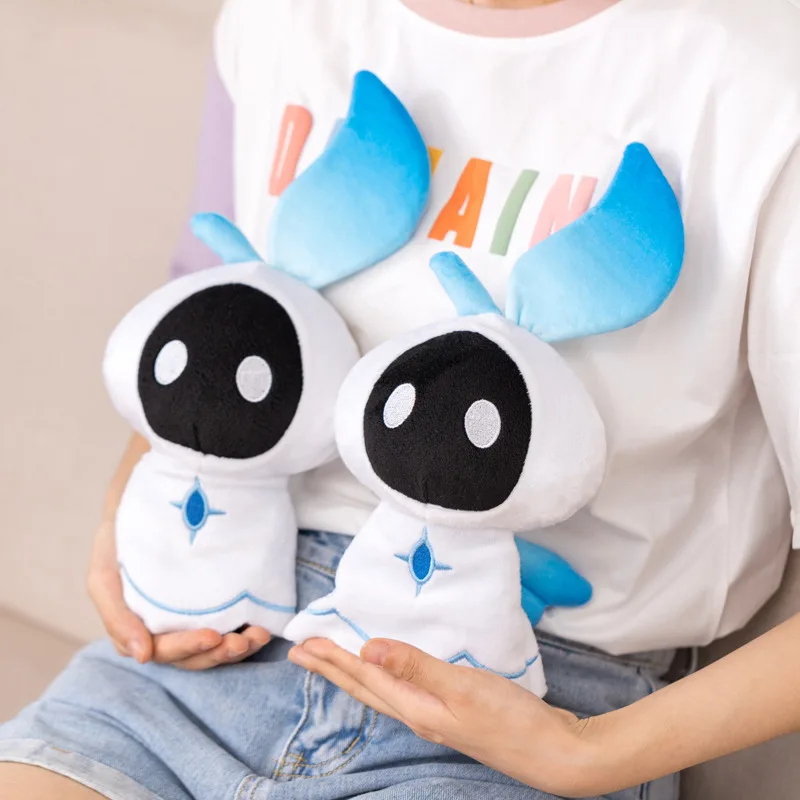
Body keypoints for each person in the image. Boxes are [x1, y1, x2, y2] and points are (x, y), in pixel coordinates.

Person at [2, 0, 800, 798]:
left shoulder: (761, 78)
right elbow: (208, 305)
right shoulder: (278, 18)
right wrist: (129, 519)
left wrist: (590, 752)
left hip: (530, 697)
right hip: (205, 647)